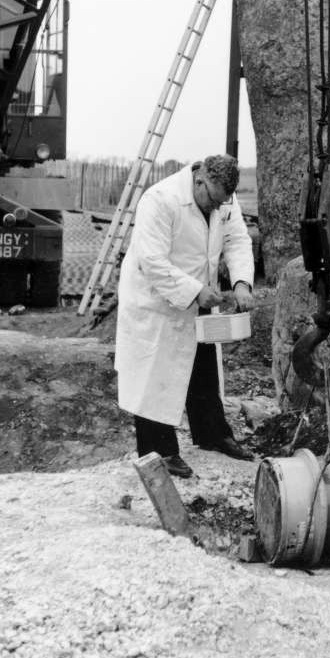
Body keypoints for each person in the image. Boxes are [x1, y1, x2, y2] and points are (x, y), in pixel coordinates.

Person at [115, 154, 256, 478]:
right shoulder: (160, 200)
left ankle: (213, 435)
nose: (216, 208)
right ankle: (159, 451)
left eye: (222, 203)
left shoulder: (223, 202)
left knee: (204, 367)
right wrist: (194, 290)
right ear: (199, 180)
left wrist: (242, 283)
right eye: (212, 200)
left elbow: (237, 242)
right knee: (155, 375)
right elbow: (152, 262)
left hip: (199, 296)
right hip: (156, 300)